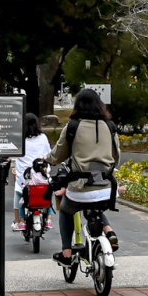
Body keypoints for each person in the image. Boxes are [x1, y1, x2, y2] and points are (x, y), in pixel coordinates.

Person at [48, 88, 120, 264]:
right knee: (94, 205)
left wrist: (47, 159)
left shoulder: (73, 126)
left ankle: (66, 253)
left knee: (66, 209)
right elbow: (116, 157)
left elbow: (57, 155)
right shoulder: (110, 126)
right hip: (107, 187)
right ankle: (109, 231)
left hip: (80, 187)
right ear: (99, 105)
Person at [13, 113, 52, 232]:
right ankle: (49, 219)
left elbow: (13, 155)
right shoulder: (43, 138)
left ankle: (21, 221)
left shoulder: (19, 139)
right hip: (42, 175)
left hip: (25, 177)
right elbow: (48, 154)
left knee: (19, 193)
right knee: (49, 192)